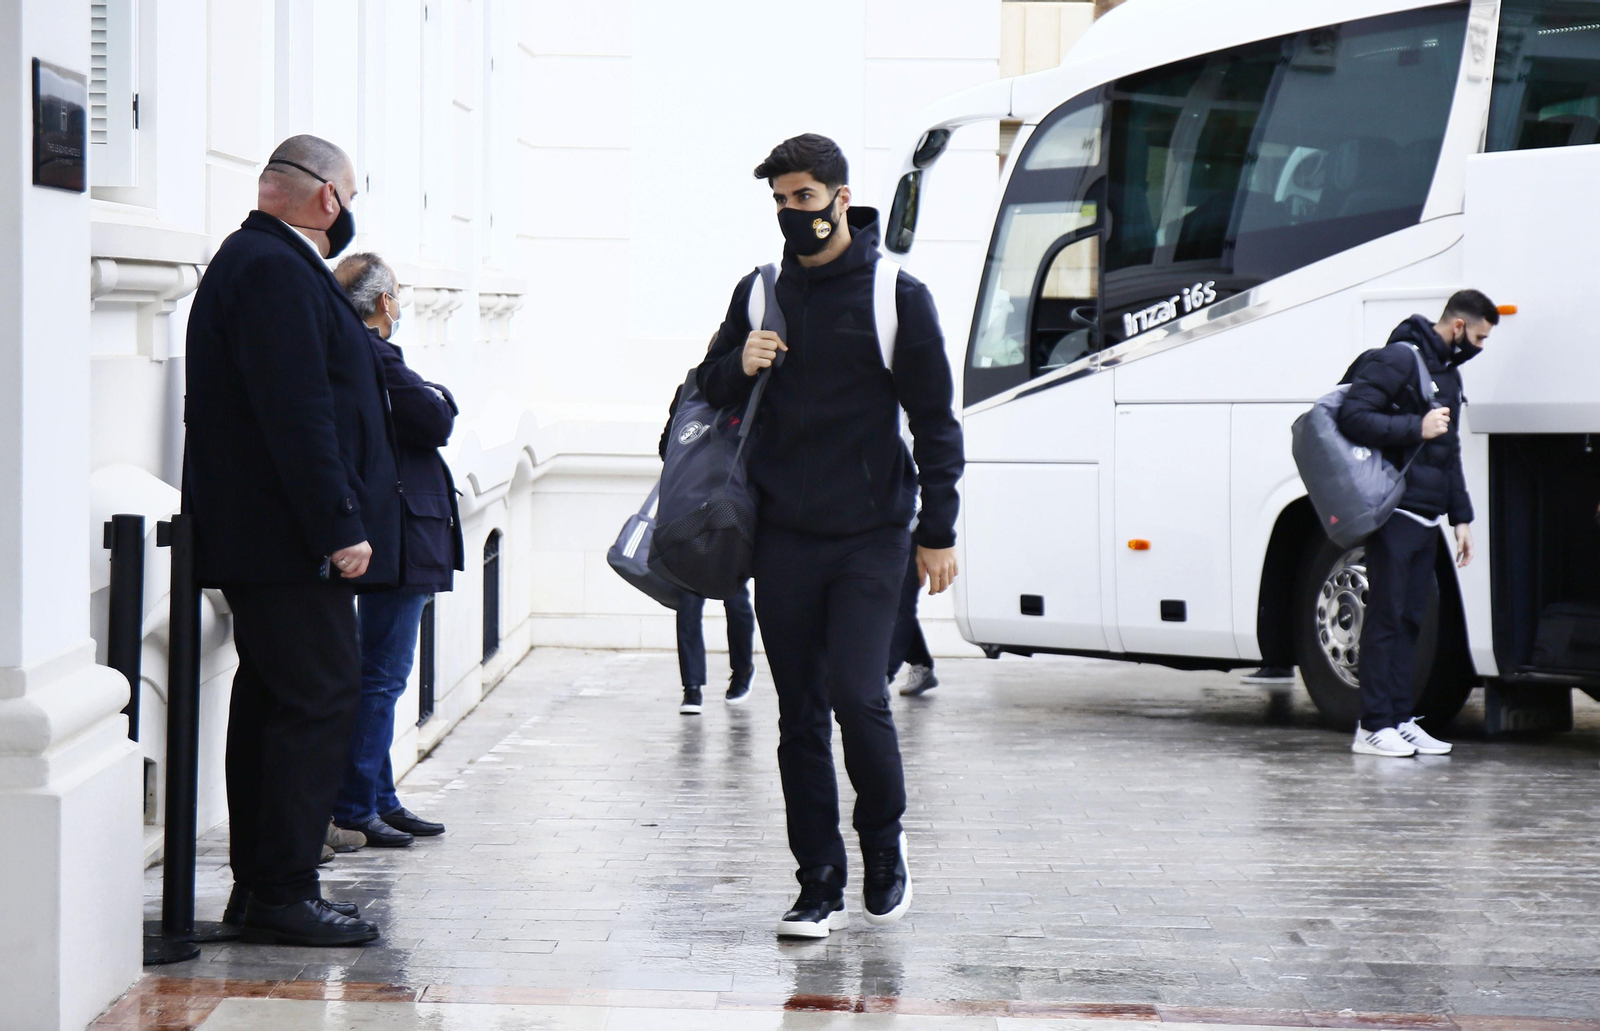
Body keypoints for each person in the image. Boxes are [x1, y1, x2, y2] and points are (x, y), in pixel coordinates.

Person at [697, 134, 964, 938]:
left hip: (873, 535)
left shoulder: (893, 293)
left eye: (804, 199)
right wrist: (740, 361)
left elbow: (935, 421)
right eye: (780, 202)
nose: (791, 214)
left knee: (857, 693)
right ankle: (817, 880)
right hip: (783, 535)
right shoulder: (761, 292)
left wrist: (938, 529)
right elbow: (703, 390)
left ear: (841, 199)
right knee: (799, 715)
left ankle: (883, 844)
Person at [184, 135, 397, 945]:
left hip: (269, 537)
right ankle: (283, 889)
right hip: (285, 540)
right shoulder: (272, 265)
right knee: (317, 697)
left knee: (277, 699)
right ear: (329, 200)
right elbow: (297, 410)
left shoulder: (261, 258)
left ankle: (263, 885)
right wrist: (340, 525)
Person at [330, 252, 463, 847]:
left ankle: (378, 796)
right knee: (382, 677)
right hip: (398, 537)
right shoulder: (376, 353)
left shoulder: (356, 351)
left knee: (377, 675)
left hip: (395, 532)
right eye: (399, 295)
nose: (402, 305)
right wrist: (439, 396)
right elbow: (434, 418)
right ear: (384, 303)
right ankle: (359, 804)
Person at [1338, 290, 1497, 758]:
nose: (1481, 347)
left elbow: (1449, 452)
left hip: (1426, 517)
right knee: (1386, 619)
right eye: (1480, 337)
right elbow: (1352, 415)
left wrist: (1460, 518)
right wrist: (1415, 428)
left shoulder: (1447, 372)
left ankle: (1401, 719)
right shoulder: (1400, 358)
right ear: (1458, 327)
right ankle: (1372, 726)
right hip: (1395, 511)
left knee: (1412, 621)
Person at [658, 379, 757, 714]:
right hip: (692, 510)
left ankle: (741, 672)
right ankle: (693, 688)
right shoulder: (689, 390)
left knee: (736, 597)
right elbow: (667, 446)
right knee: (689, 600)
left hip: (732, 510)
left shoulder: (754, 393)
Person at [887, 534, 937, 697]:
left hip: (912, 531)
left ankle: (881, 676)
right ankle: (921, 663)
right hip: (878, 533)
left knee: (899, 604)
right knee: (891, 603)